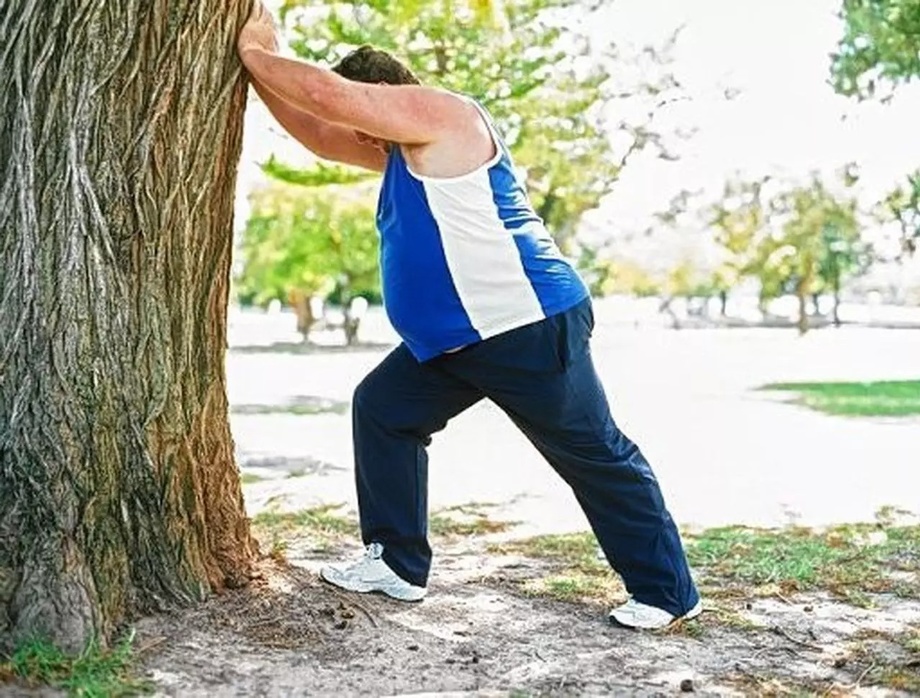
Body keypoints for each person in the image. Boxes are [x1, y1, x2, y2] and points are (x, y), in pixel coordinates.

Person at [237, 3, 701, 630]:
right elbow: (319, 130)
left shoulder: (445, 116)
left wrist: (258, 51)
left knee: (594, 454)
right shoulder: (402, 151)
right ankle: (397, 563)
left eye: (365, 122)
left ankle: (668, 592)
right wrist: (259, 74)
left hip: (524, 327)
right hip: (457, 343)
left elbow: (324, 95)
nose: (362, 143)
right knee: (383, 409)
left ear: (382, 96)